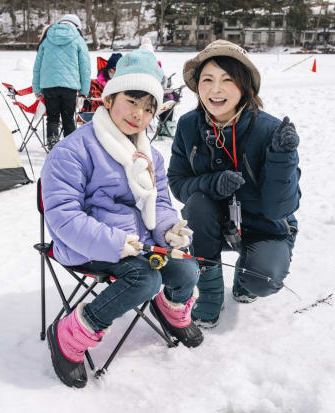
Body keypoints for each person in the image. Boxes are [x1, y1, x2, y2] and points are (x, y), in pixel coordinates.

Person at [41, 49, 203, 388]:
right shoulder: (72, 151)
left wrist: (167, 229)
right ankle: (70, 334)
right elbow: (64, 218)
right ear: (110, 97)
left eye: (149, 108)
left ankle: (171, 310)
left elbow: (159, 203)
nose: (139, 114)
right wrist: (117, 243)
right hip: (87, 245)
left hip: (140, 244)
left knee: (188, 267)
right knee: (146, 280)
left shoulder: (150, 154)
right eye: (132, 101)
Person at [167, 40, 301, 328]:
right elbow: (178, 183)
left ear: (244, 87)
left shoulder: (270, 130)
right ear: (197, 86)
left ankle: (246, 276)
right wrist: (213, 183)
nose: (216, 89)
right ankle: (210, 294)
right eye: (208, 80)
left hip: (266, 226)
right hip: (213, 223)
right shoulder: (189, 126)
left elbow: (280, 208)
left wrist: (282, 159)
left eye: (227, 79)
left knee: (263, 280)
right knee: (197, 203)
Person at [32, 14, 90, 150]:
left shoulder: (47, 39)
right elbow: (85, 68)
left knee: (52, 118)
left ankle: (53, 145)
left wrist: (37, 89)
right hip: (69, 87)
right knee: (68, 118)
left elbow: (37, 66)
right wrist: (84, 92)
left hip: (49, 86)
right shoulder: (78, 40)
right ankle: (71, 148)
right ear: (76, 26)